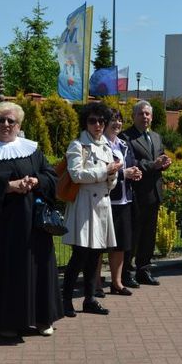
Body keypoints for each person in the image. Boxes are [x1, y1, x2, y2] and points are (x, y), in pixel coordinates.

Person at [0, 102, 62, 337]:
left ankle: (41, 319)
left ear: (19, 125)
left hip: (32, 227)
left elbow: (51, 176)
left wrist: (36, 182)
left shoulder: (32, 150)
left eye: (11, 121)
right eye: (1, 121)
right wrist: (9, 186)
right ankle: (4, 323)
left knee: (37, 269)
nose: (6, 125)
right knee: (4, 271)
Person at [61, 102, 122, 317]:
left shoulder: (106, 146)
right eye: (92, 120)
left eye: (101, 121)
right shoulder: (77, 145)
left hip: (102, 206)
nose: (97, 124)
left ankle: (90, 298)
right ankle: (65, 299)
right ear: (85, 122)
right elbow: (77, 175)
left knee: (96, 256)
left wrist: (112, 176)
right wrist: (105, 170)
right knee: (79, 255)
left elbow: (110, 183)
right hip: (84, 206)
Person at [94, 109, 142, 296]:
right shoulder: (99, 145)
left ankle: (117, 282)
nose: (117, 124)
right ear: (105, 123)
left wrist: (135, 172)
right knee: (100, 245)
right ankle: (96, 283)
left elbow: (130, 165)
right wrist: (124, 173)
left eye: (120, 120)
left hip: (124, 201)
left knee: (121, 244)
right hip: (106, 202)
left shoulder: (123, 144)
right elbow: (101, 171)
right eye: (113, 120)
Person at [123, 100, 172, 286]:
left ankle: (144, 270)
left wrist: (165, 163)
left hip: (154, 193)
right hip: (136, 193)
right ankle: (127, 273)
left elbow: (160, 157)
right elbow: (130, 162)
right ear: (134, 116)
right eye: (141, 114)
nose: (145, 117)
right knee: (133, 235)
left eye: (147, 114)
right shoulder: (126, 137)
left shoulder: (156, 137)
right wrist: (154, 165)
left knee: (148, 235)